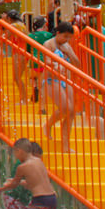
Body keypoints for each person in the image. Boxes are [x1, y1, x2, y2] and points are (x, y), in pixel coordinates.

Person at [41, 22, 80, 152]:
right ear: (58, 33)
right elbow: (46, 62)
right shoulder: (49, 44)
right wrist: (58, 64)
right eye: (65, 36)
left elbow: (77, 64)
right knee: (65, 108)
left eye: (69, 37)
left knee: (71, 112)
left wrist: (69, 52)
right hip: (50, 79)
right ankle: (48, 125)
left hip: (64, 80)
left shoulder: (66, 46)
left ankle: (65, 145)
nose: (66, 40)